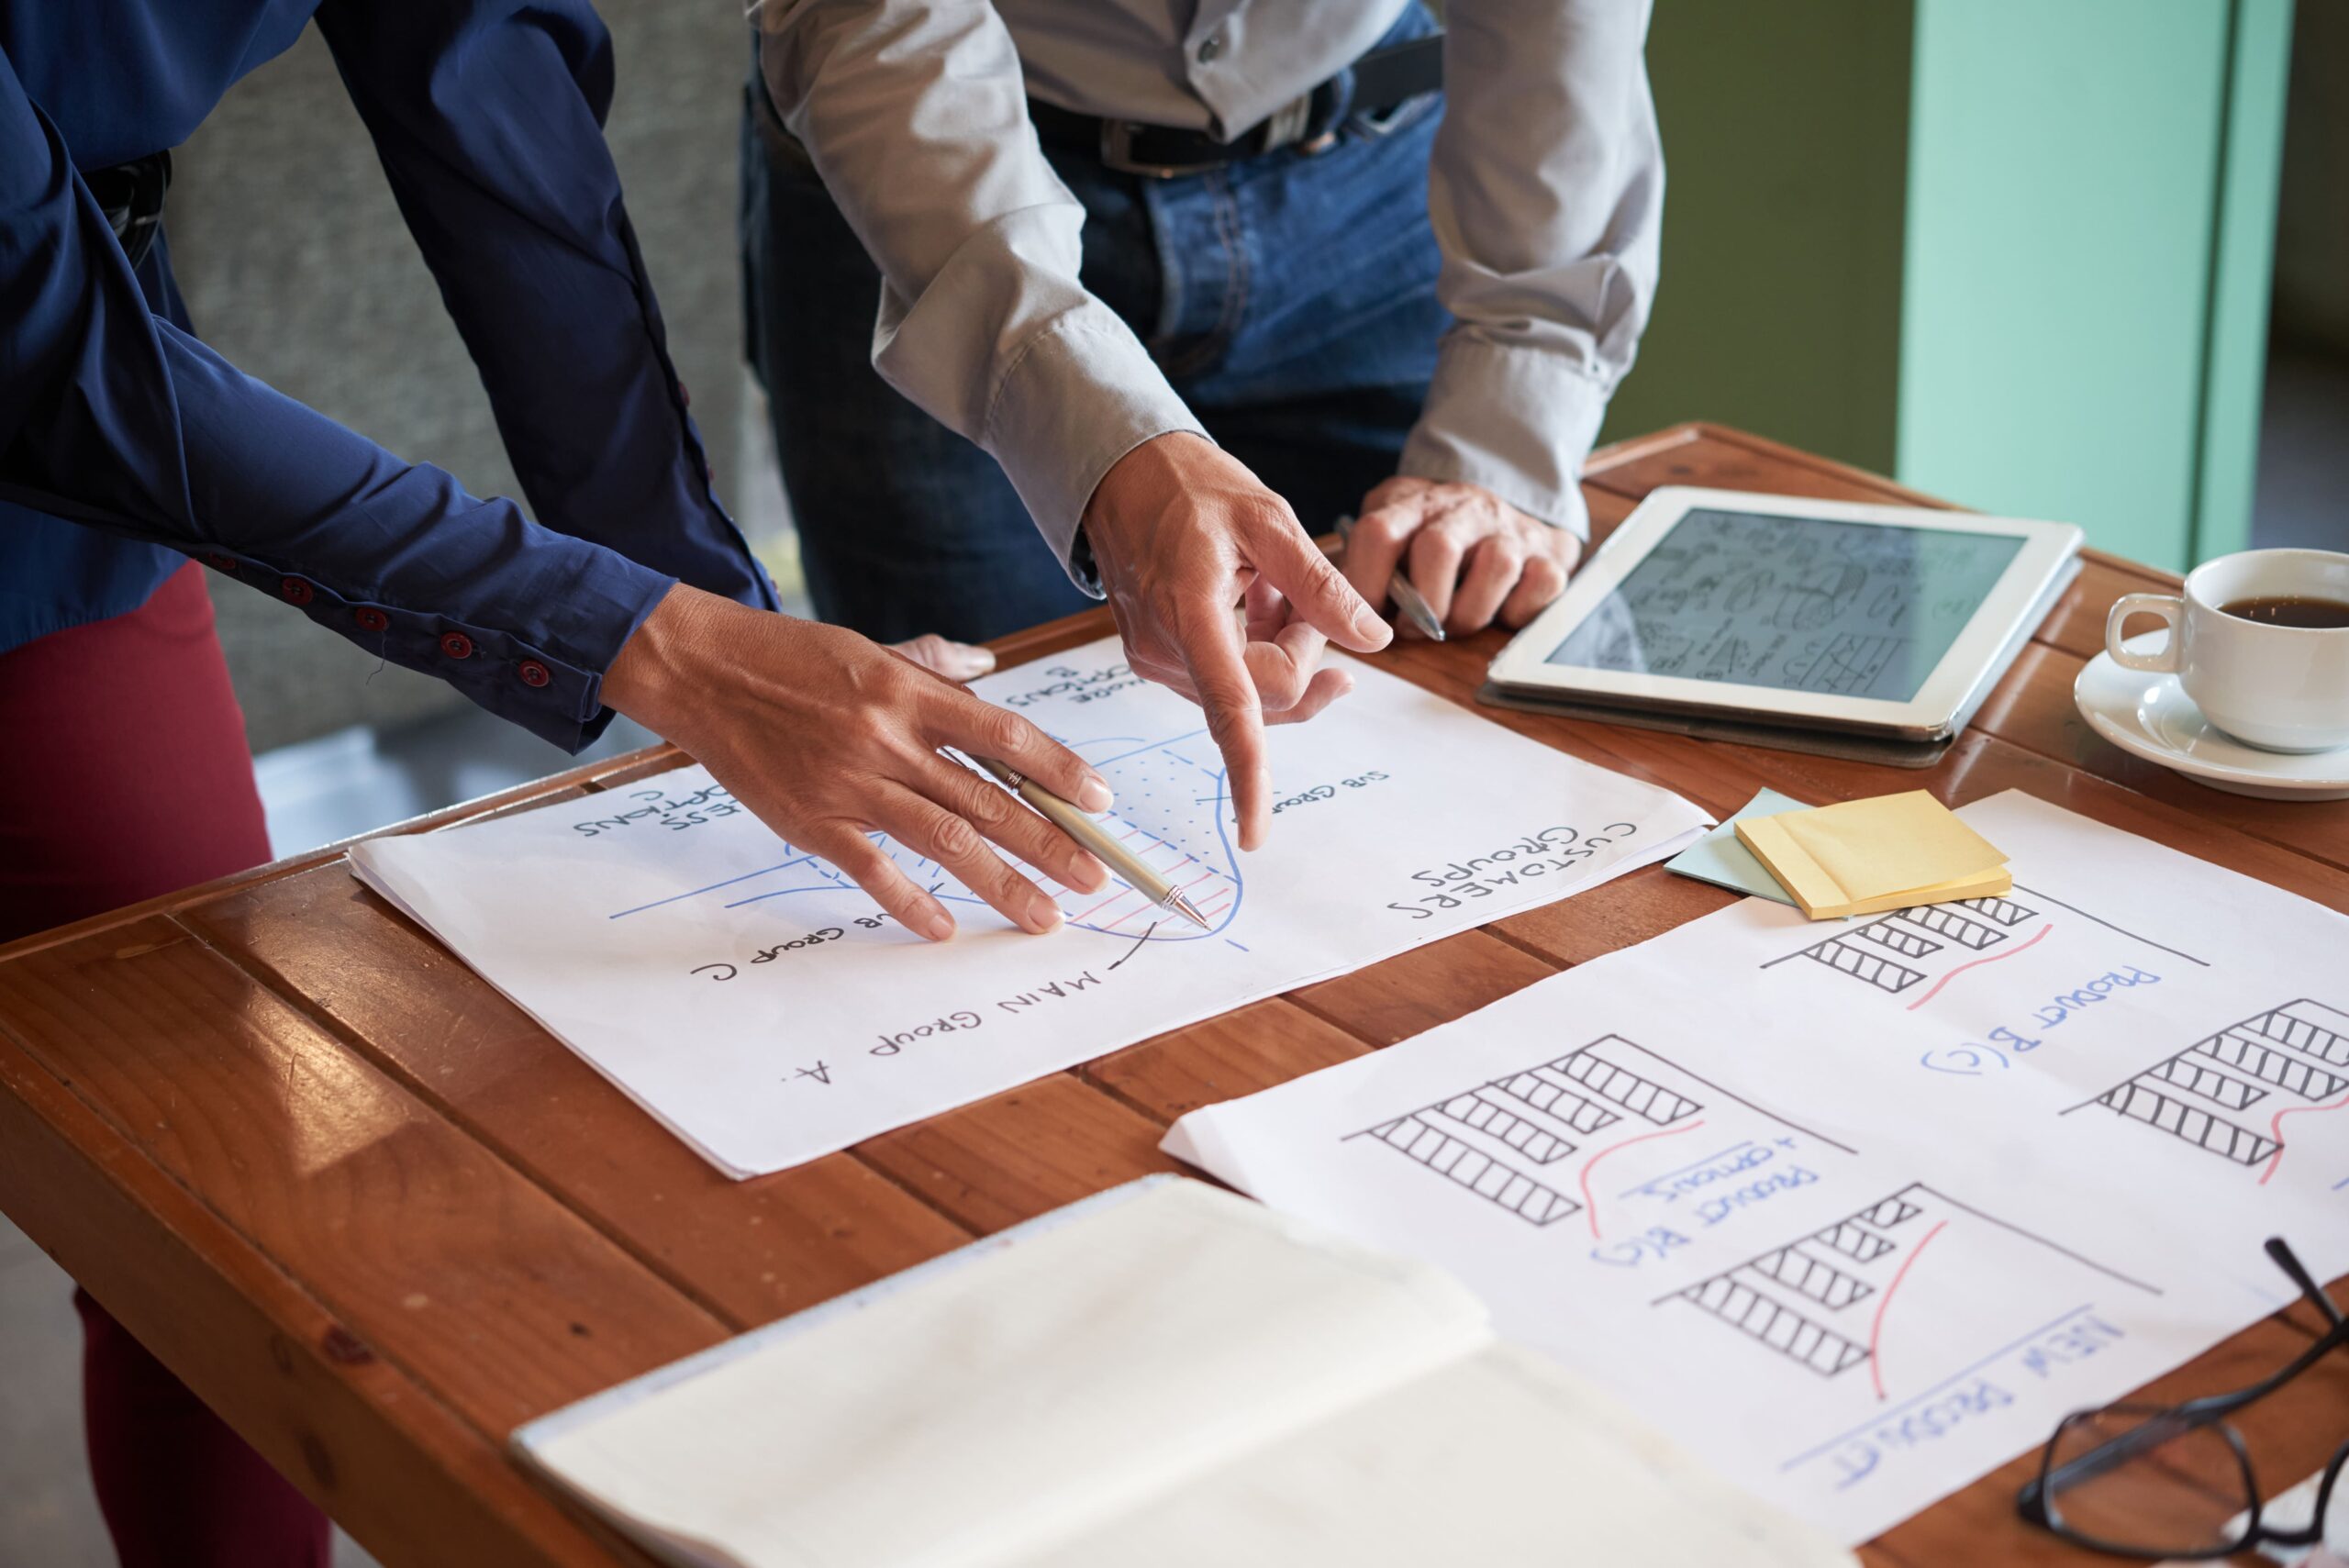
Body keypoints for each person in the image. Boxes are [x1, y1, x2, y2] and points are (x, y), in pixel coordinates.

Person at [2, 2, 1186, 1561]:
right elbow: (39, 336)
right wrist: (658, 645)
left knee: (211, 1193)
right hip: (51, 352)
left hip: (64, 458)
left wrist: (721, 620)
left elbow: (485, 95)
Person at [742, 0, 1662, 821]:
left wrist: (1518, 384)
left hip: (1383, 176)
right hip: (930, 175)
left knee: (1428, 732)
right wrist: (1099, 434)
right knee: (971, 777)